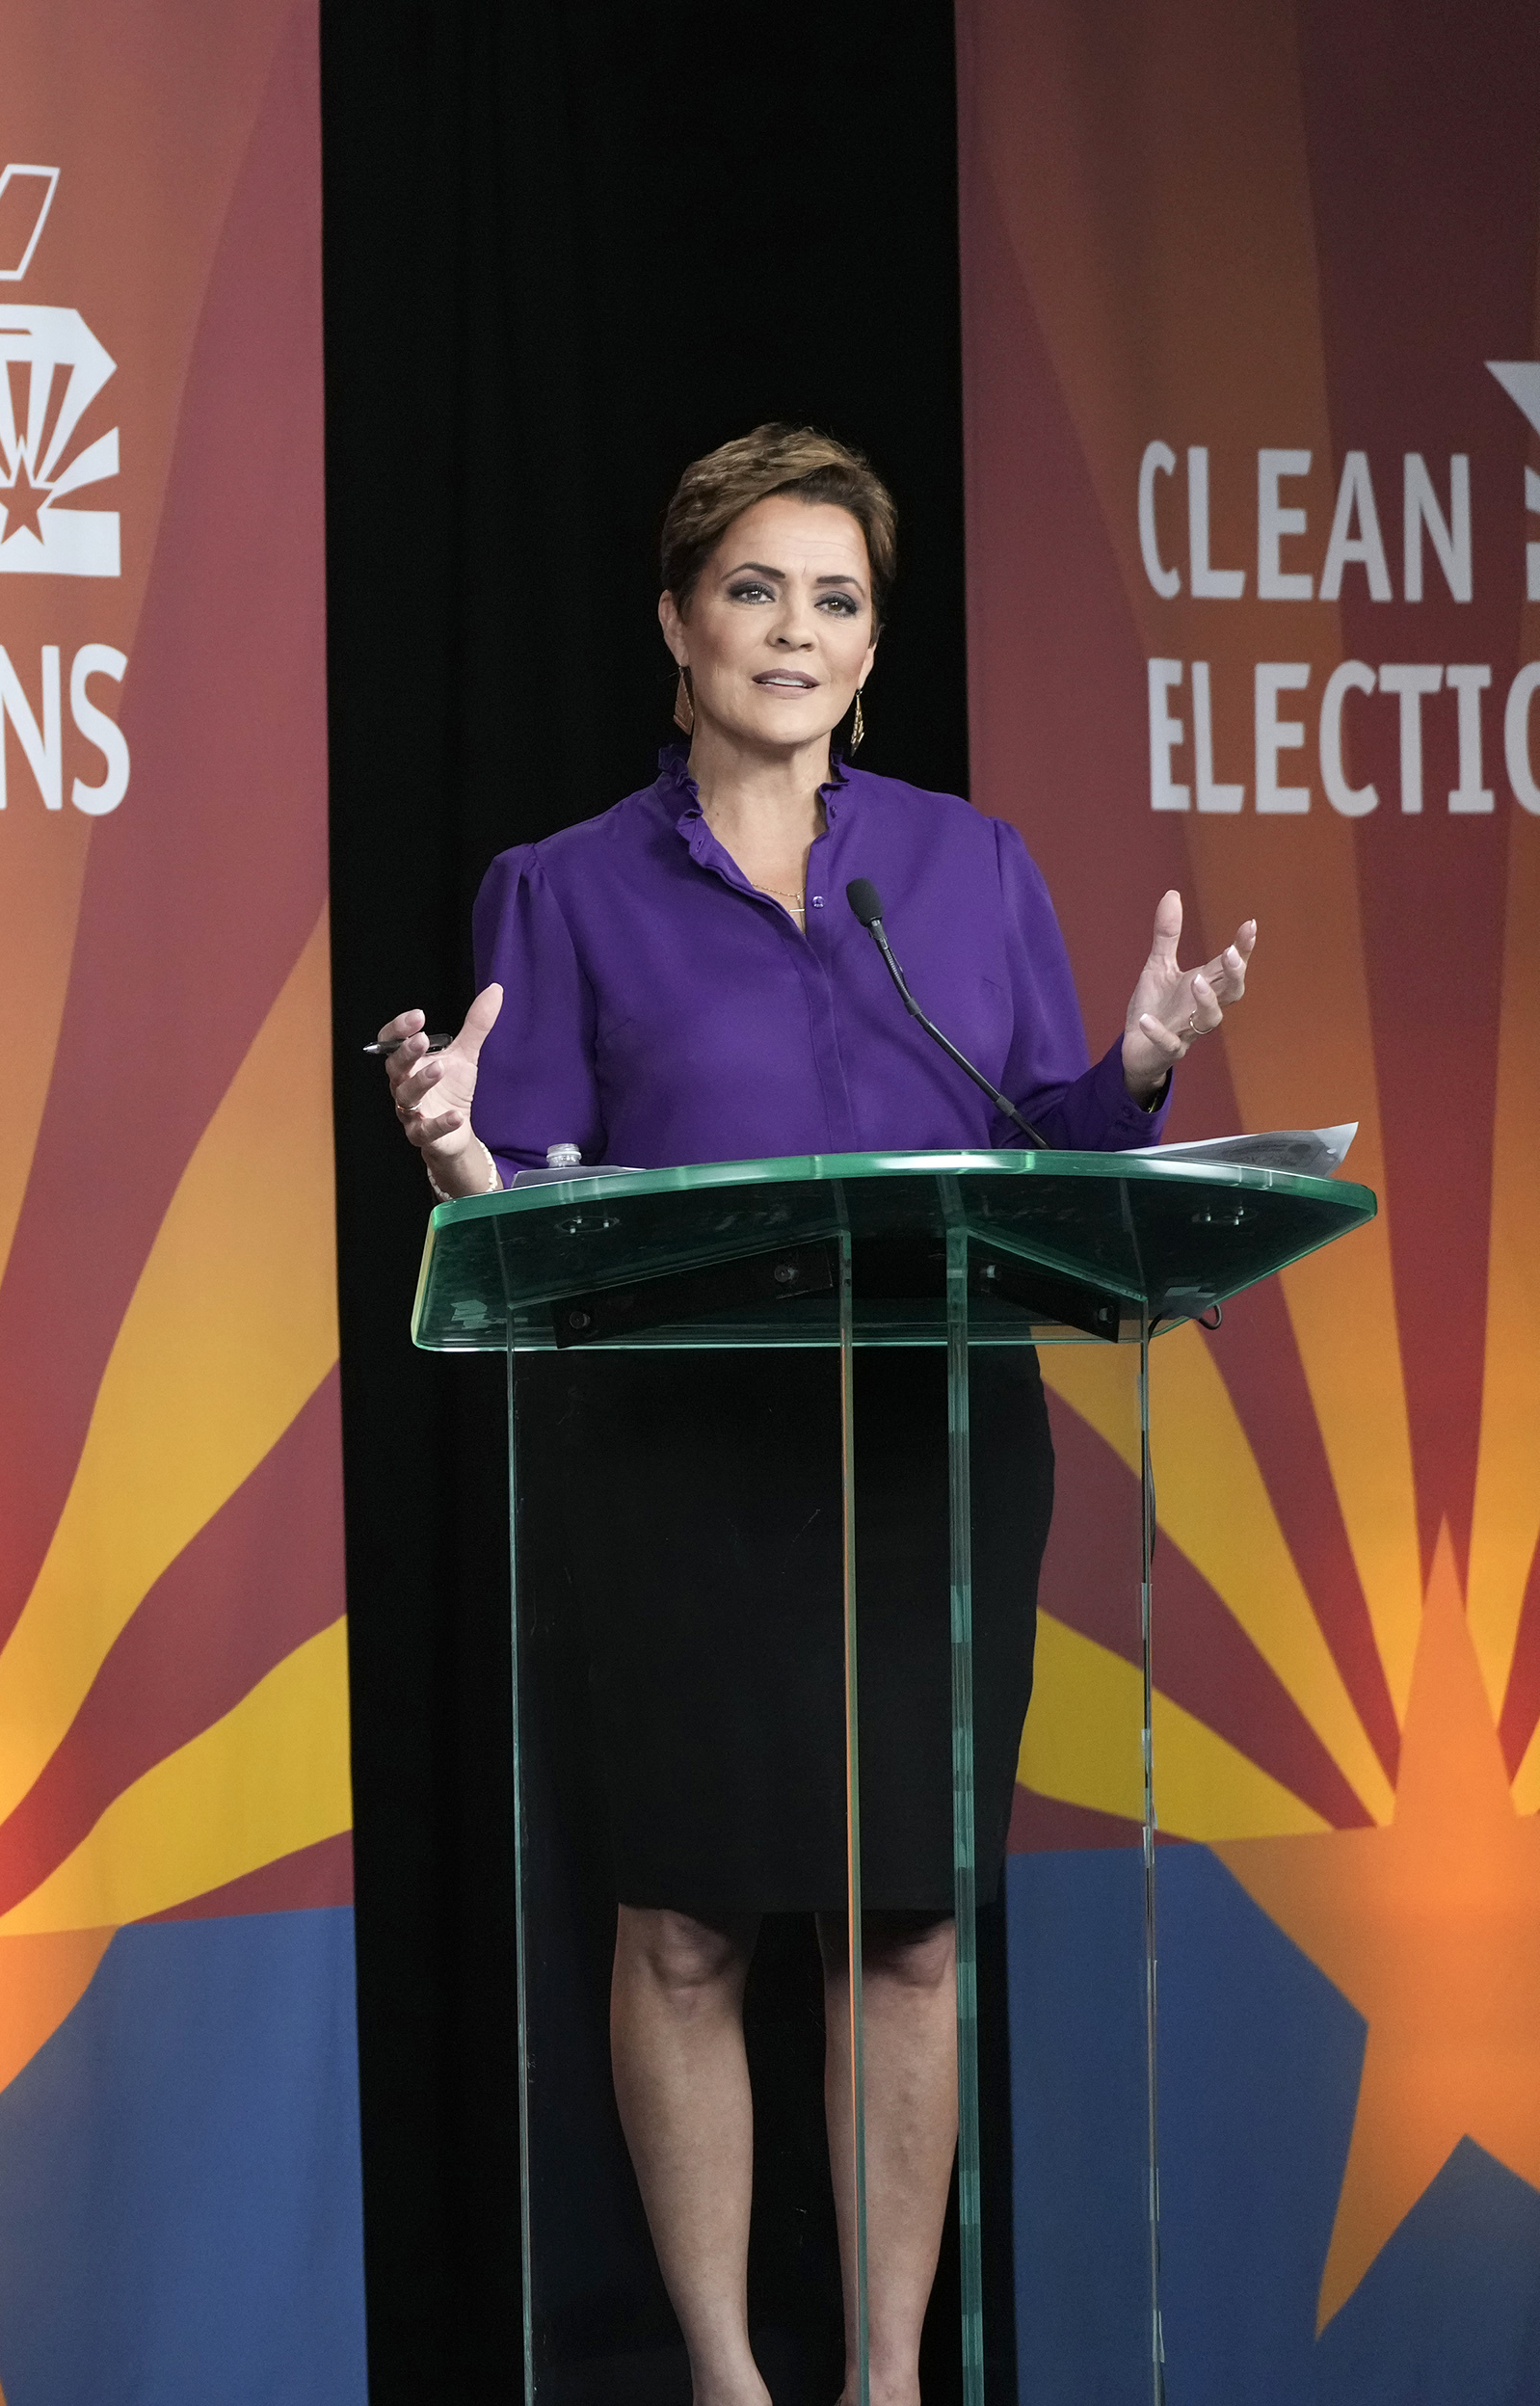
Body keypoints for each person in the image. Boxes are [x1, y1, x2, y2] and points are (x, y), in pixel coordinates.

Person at [376, 424, 1253, 2406]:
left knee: (910, 1931)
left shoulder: (964, 868)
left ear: (872, 651)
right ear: (675, 623)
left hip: (930, 1450)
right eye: (754, 589)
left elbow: (1037, 1142)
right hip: (678, 1460)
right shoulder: (565, 886)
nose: (794, 630)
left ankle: (880, 2380)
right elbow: (531, 1212)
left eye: (835, 600)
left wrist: (1133, 1069)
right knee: (687, 1921)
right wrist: (454, 1161)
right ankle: (722, 2379)